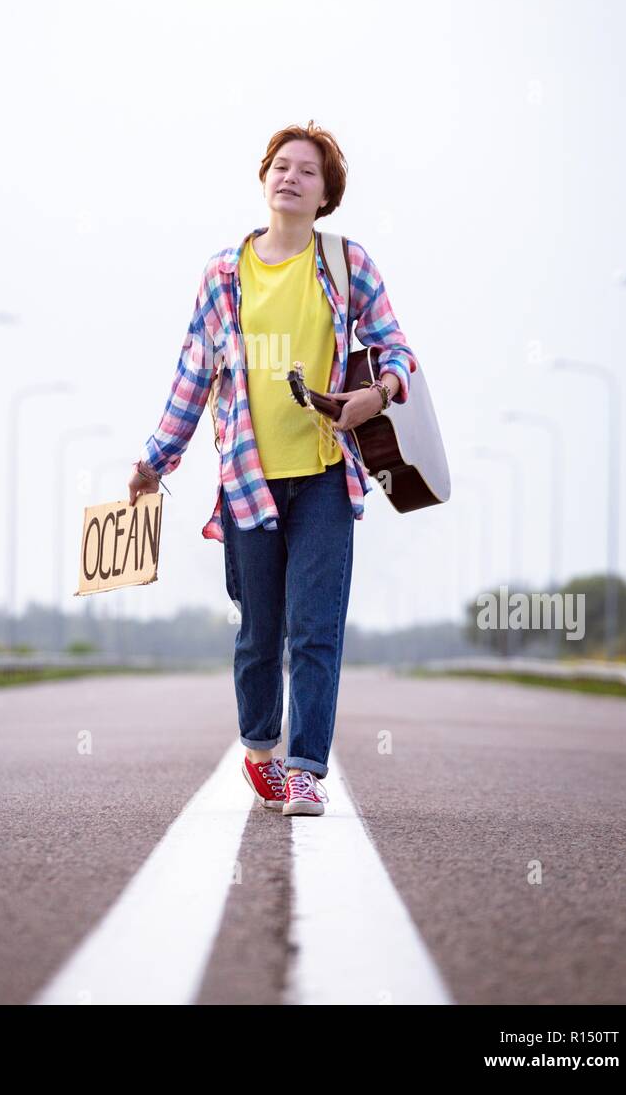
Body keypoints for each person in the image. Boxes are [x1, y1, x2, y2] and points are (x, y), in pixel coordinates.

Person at [127, 120, 417, 816]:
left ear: (325, 196)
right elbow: (194, 376)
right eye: (280, 166)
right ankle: (260, 749)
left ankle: (307, 770)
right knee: (260, 632)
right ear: (264, 181)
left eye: (306, 171)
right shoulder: (225, 274)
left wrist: (374, 394)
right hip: (247, 483)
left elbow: (397, 350)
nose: (290, 176)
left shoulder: (347, 265)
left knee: (316, 626)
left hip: (324, 471)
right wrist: (153, 461)